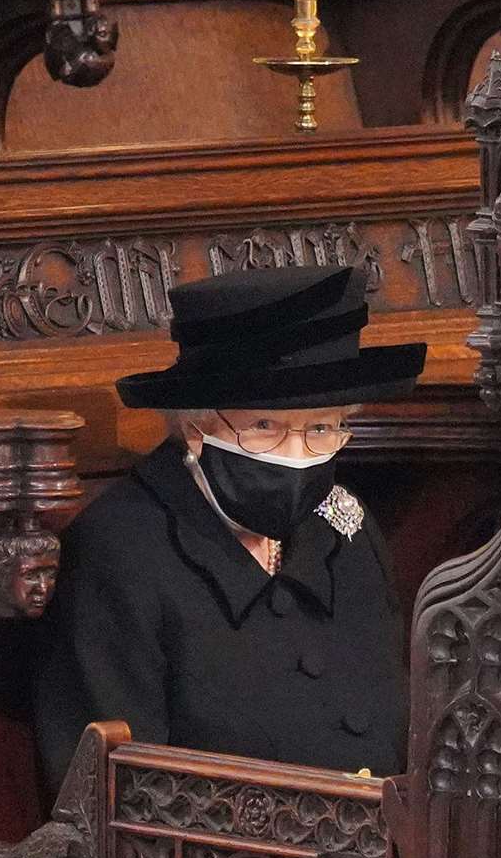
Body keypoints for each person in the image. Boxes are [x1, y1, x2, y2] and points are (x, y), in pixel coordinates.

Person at [31, 264, 427, 800]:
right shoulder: (121, 551)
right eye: (265, 427)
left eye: (320, 428)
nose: (296, 456)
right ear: (195, 427)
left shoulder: (347, 528)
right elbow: (112, 799)